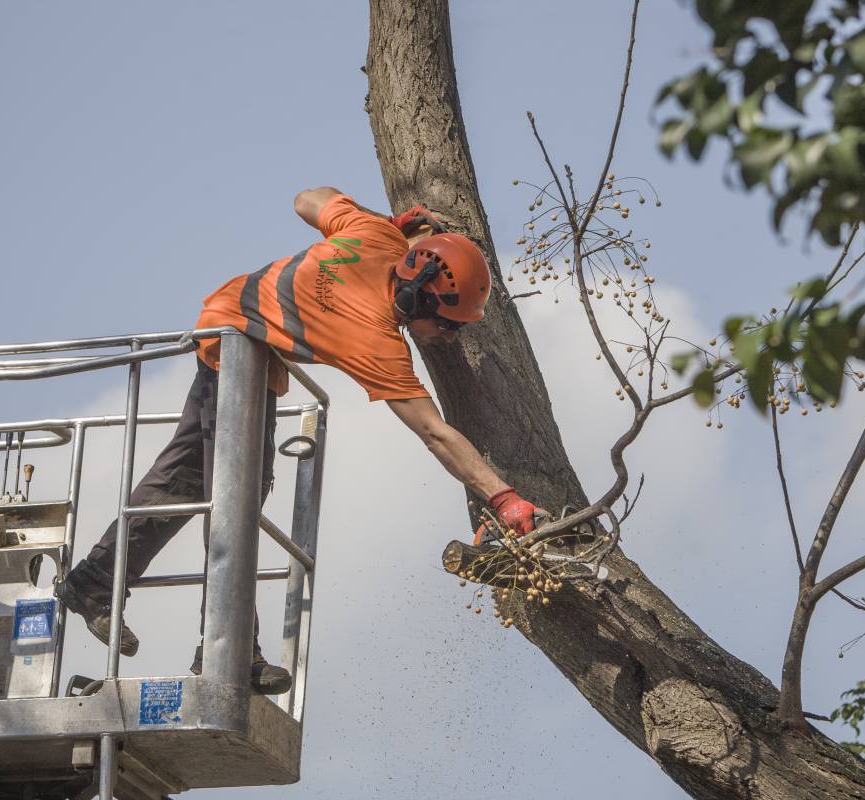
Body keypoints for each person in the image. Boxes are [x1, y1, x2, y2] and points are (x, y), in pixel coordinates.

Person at [54, 188, 541, 694]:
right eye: (446, 324)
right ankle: (229, 650)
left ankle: (95, 583)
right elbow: (433, 432)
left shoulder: (374, 233)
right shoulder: (373, 337)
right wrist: (503, 497)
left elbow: (307, 199)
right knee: (237, 493)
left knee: (188, 477)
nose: (448, 336)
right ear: (415, 296)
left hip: (236, 332)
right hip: (240, 346)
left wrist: (389, 224)